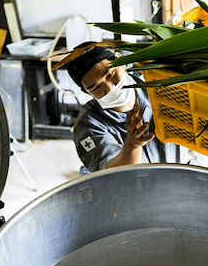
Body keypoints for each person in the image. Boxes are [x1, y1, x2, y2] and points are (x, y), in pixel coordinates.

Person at [62, 42, 189, 172]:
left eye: (110, 75)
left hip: (180, 174)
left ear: (120, 61)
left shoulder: (160, 87)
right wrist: (132, 146)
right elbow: (111, 174)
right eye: (96, 88)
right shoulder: (88, 125)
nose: (110, 89)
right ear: (87, 92)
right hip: (138, 188)